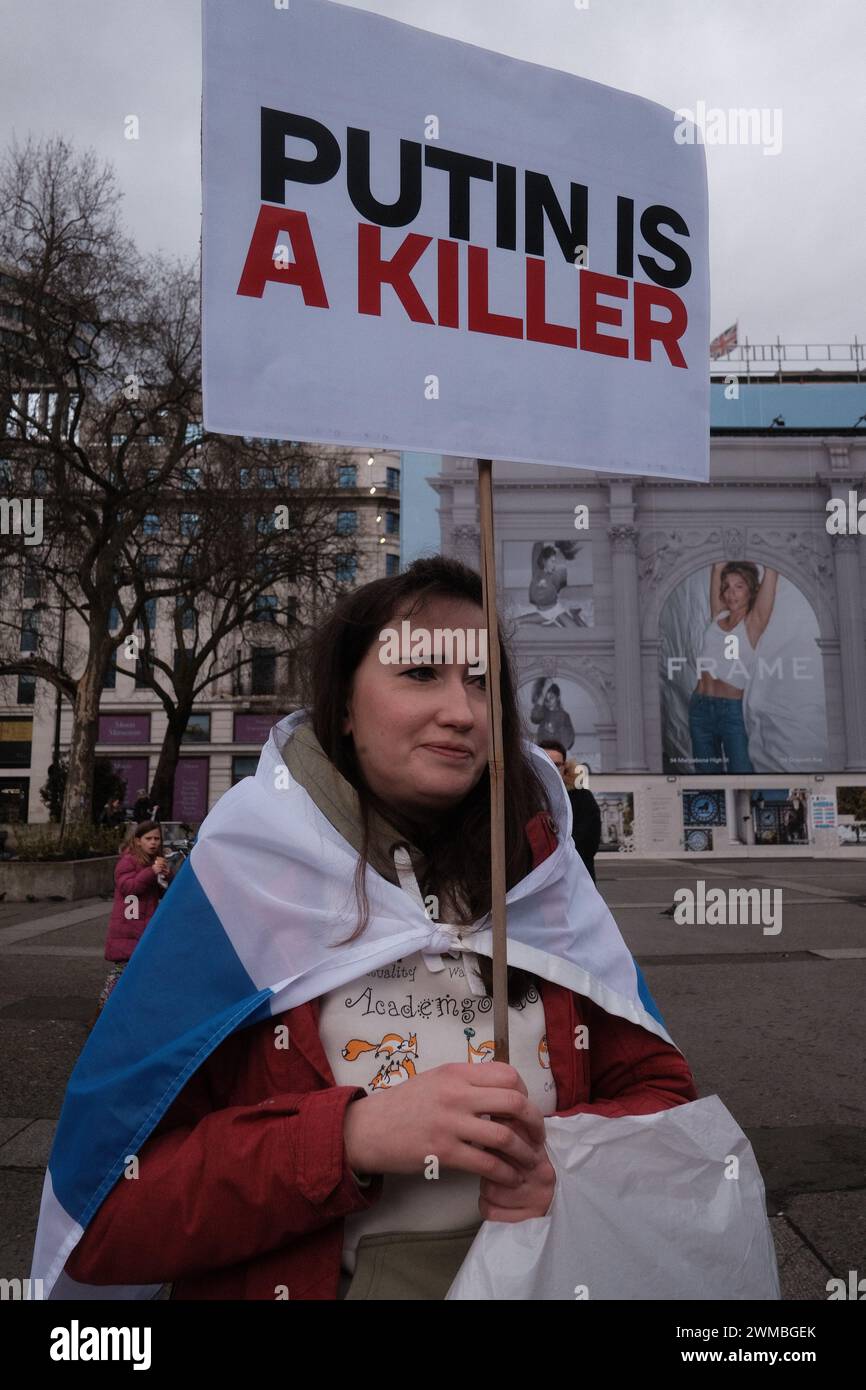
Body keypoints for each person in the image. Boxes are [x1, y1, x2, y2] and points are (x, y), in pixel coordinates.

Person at [61, 556, 697, 1301]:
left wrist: (568, 1169)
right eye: (422, 673)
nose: (462, 712)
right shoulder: (240, 893)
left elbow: (663, 1103)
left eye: (483, 681)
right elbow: (106, 1211)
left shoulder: (541, 883)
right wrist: (346, 1141)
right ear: (344, 707)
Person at [689, 561, 778, 774]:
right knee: (706, 778)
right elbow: (717, 567)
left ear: (751, 590)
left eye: (739, 586)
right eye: (727, 586)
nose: (731, 593)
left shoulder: (753, 623)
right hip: (699, 707)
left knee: (741, 776)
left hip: (730, 710)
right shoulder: (718, 615)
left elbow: (773, 570)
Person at [94, 821, 168, 1016]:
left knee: (137, 971)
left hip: (143, 926)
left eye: (156, 838)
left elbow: (160, 893)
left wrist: (167, 877)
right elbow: (129, 889)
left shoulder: (151, 862)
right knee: (121, 972)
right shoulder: (128, 861)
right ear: (137, 841)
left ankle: (127, 1011)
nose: (153, 843)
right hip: (129, 927)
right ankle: (102, 1013)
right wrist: (151, 872)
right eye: (148, 839)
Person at [538, 740, 601, 883]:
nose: (551, 768)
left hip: (575, 880)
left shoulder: (582, 798)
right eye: (545, 762)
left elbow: (587, 843)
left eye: (556, 764)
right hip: (535, 885)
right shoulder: (525, 798)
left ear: (564, 768)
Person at [529, 678, 575, 752]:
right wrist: (543, 692)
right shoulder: (543, 712)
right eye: (546, 699)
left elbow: (568, 740)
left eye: (551, 698)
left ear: (558, 697)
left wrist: (553, 733)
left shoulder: (564, 715)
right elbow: (534, 718)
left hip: (556, 754)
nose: (549, 701)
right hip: (543, 752)